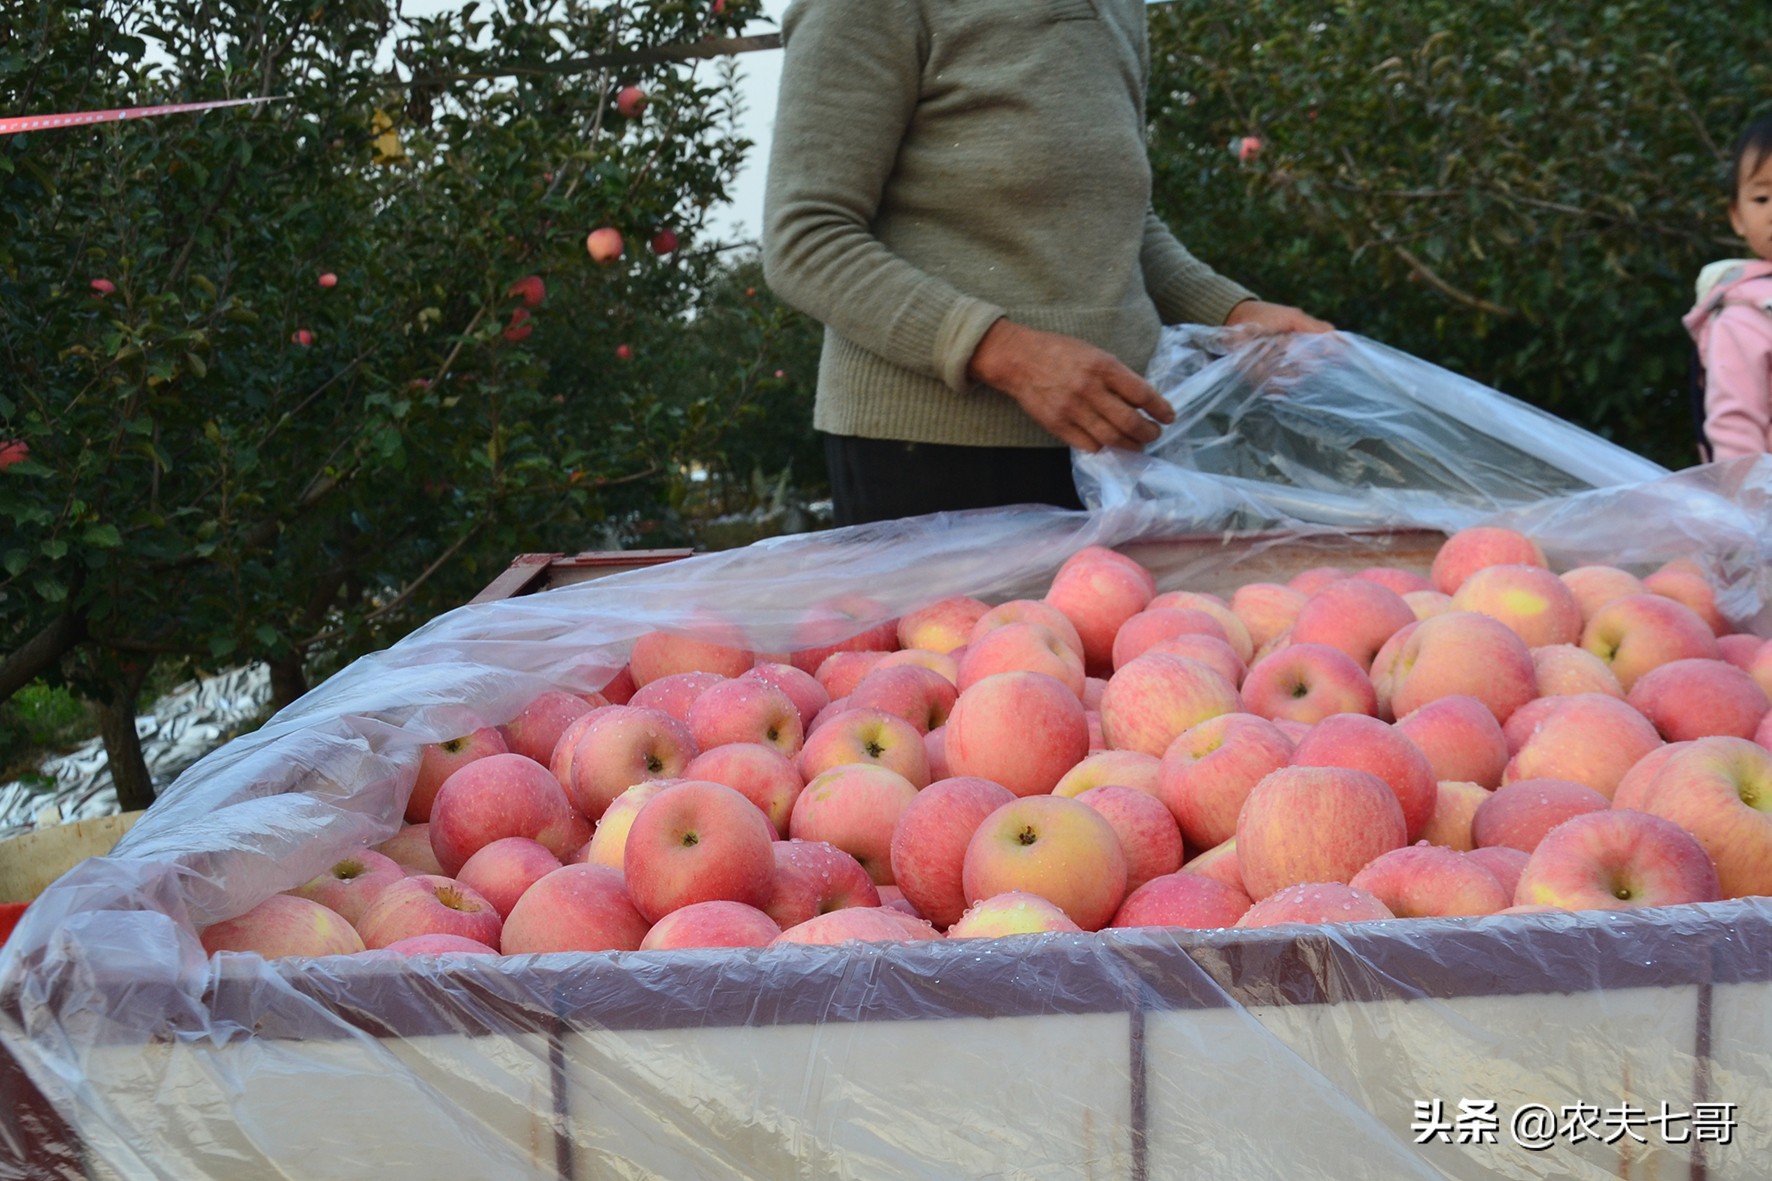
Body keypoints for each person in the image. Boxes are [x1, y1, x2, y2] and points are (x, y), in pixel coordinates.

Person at [760, 0, 1331, 526]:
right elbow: (805, 238)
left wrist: (1233, 310)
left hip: (1122, 444)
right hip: (935, 456)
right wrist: (1009, 355)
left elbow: (1116, 217)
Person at [1683, 111, 1772, 461]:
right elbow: (1735, 429)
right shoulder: (1743, 318)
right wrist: (1748, 507)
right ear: (1737, 217)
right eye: (1762, 199)